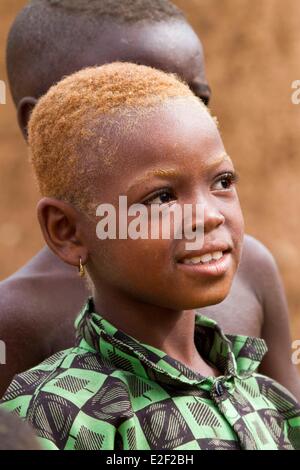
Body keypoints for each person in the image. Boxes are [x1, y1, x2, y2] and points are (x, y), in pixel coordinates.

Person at [1, 0, 299, 401]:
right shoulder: (18, 319)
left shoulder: (251, 271)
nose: (170, 111)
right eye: (125, 94)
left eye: (194, 98)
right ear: (36, 122)